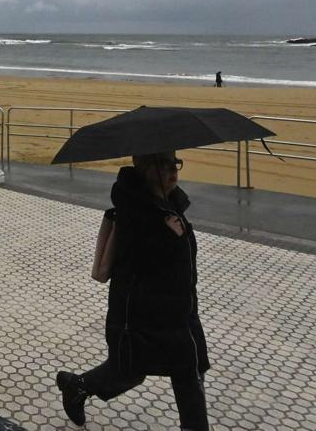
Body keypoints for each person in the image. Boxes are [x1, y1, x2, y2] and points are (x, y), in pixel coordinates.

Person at [55, 151, 211, 429]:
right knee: (129, 371)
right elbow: (138, 261)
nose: (173, 171)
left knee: (189, 373)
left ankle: (77, 386)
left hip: (179, 312)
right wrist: (168, 236)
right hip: (141, 314)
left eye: (175, 164)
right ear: (146, 169)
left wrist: (174, 232)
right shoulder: (135, 211)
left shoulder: (171, 204)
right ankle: (77, 386)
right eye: (164, 165)